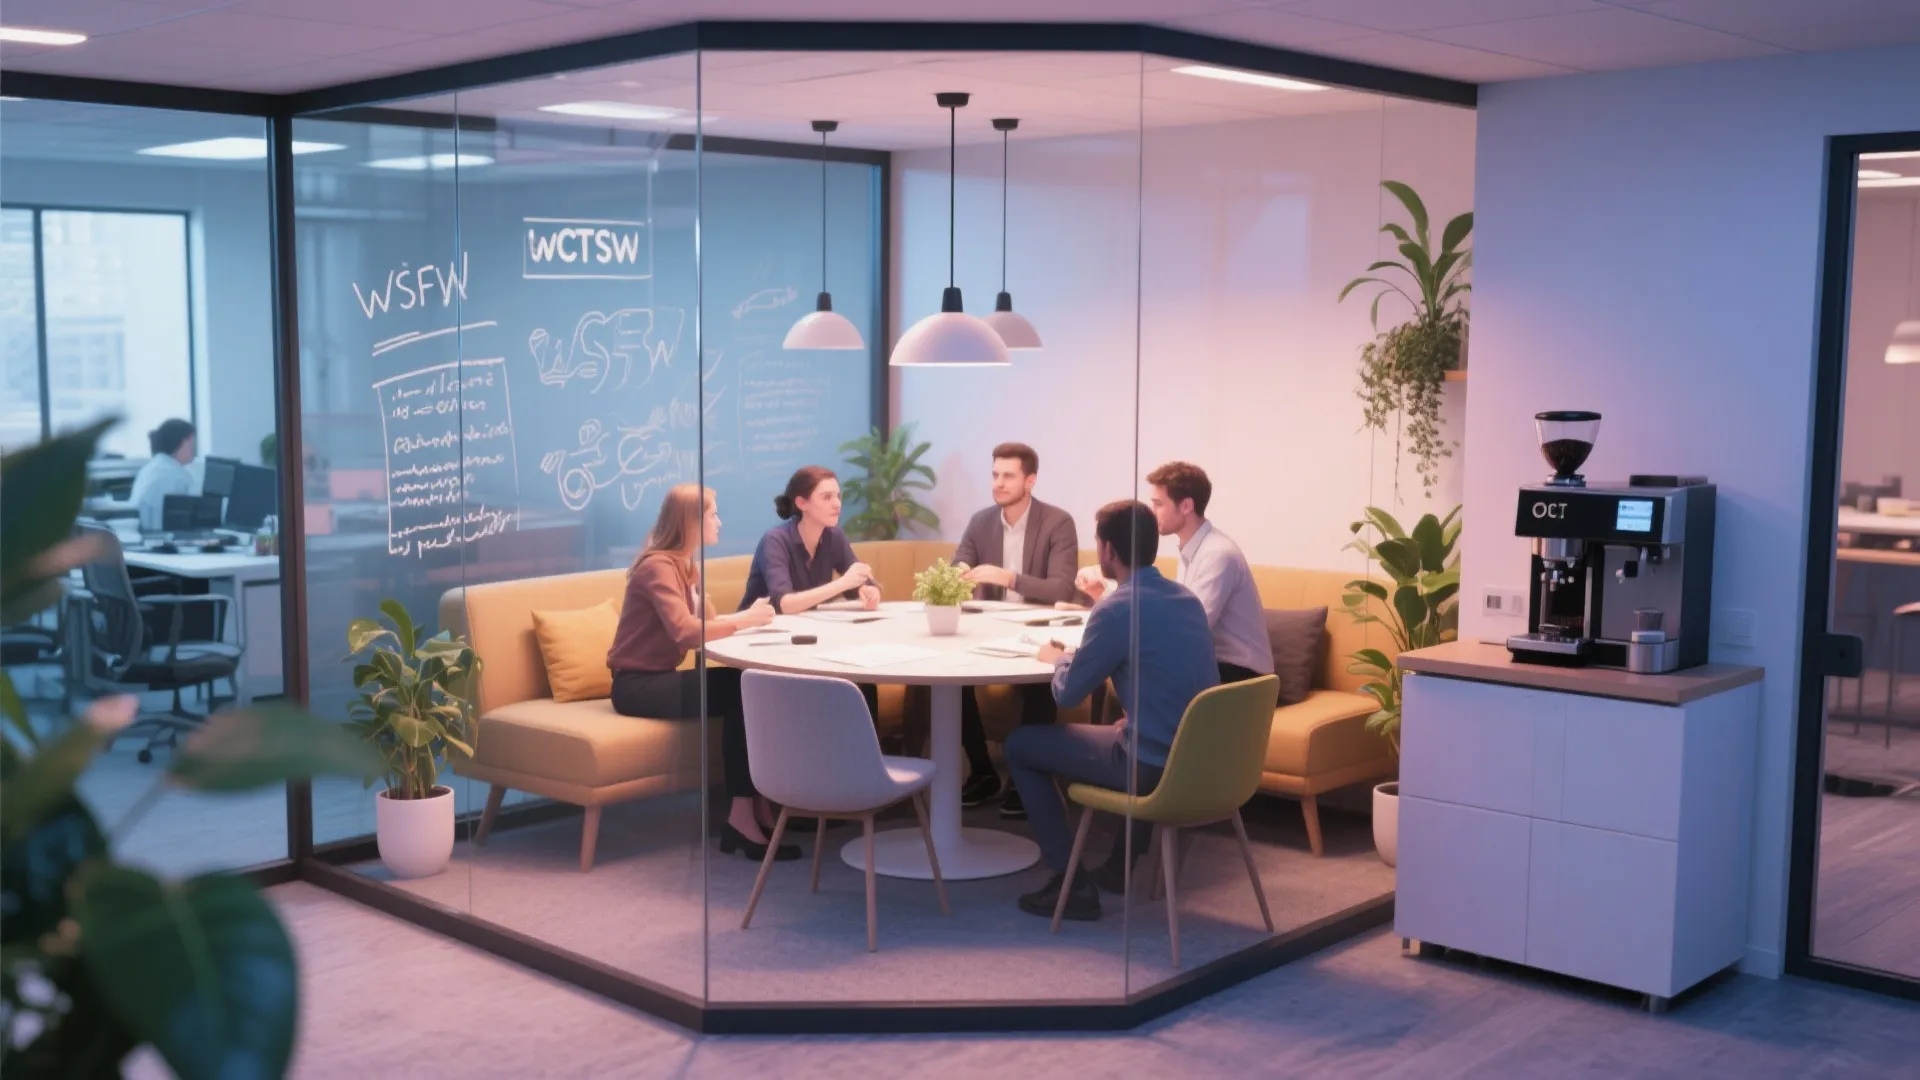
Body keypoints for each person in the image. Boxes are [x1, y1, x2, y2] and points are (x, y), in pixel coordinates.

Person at [1004, 500, 1219, 921]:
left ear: (1108, 552)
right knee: (1127, 729)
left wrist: (1059, 659)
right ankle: (1119, 868)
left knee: (1019, 746)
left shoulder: (1117, 608)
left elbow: (1067, 695)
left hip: (1152, 766)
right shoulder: (1186, 599)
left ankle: (1072, 882)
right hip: (1199, 762)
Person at [609, 485, 791, 862]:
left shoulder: (685, 565)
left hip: (659, 680)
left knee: (752, 684)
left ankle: (756, 808)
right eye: (713, 514)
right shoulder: (657, 566)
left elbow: (705, 621)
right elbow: (685, 631)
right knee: (745, 687)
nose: (720, 522)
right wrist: (743, 620)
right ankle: (743, 815)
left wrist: (746, 619)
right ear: (692, 521)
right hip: (638, 686)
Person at [950, 442, 1082, 818]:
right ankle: (982, 770)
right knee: (948, 679)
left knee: (1043, 679)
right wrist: (956, 575)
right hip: (988, 629)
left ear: (1030, 481)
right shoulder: (980, 522)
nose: (999, 483)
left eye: (1008, 476)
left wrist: (1009, 578)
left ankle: (1025, 778)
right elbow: (958, 565)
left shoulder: (1058, 522)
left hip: (1038, 629)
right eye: (995, 475)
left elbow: (1060, 587)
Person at [1120, 461, 1275, 685]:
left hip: (1244, 676)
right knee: (1132, 668)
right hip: (1217, 665)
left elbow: (1191, 629)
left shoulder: (1218, 555)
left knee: (1139, 671)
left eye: (1158, 505)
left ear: (1186, 506)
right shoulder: (1192, 549)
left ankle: (1134, 721)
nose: (1151, 513)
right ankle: (1132, 720)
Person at [740, 465, 881, 615]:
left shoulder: (834, 536)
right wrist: (843, 583)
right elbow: (783, 604)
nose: (837, 504)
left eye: (838, 496)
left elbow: (857, 579)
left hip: (806, 625)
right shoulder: (774, 540)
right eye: (827, 497)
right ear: (802, 503)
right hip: (758, 629)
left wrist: (867, 590)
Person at [130, 418, 198, 531]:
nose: (194, 450)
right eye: (191, 445)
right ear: (181, 443)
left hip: (141, 533)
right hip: (159, 536)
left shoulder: (153, 466)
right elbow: (182, 525)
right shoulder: (179, 476)